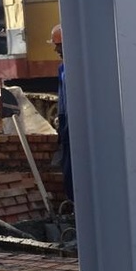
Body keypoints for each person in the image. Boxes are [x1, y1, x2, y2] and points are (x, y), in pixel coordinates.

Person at [49, 24, 74, 203]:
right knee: (68, 168)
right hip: (67, 123)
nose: (56, 49)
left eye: (58, 45)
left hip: (75, 123)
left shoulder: (78, 67)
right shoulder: (62, 69)